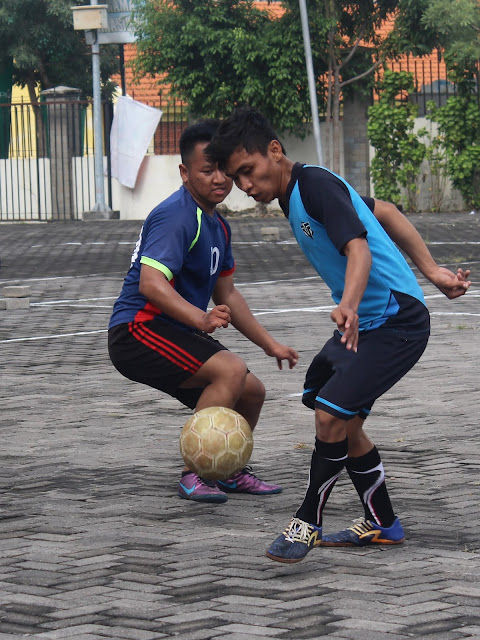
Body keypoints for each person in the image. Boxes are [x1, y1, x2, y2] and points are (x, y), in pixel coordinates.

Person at [207, 106, 471, 562]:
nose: (246, 186)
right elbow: (383, 211)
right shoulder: (299, 192)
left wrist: (350, 303)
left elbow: (359, 250)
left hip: (396, 322)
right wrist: (433, 272)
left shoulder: (315, 185)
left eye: (248, 171)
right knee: (340, 421)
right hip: (368, 324)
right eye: (237, 178)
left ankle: (307, 521)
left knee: (330, 415)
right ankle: (382, 523)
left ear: (275, 151)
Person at [108, 119, 298, 505]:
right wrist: (200, 319)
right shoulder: (176, 215)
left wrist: (269, 344)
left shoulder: (218, 225)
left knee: (252, 390)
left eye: (223, 171)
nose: (218, 180)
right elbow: (150, 283)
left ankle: (227, 470)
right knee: (229, 369)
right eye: (206, 171)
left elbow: (227, 292)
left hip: (169, 329)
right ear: (184, 172)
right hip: (137, 329)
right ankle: (195, 473)